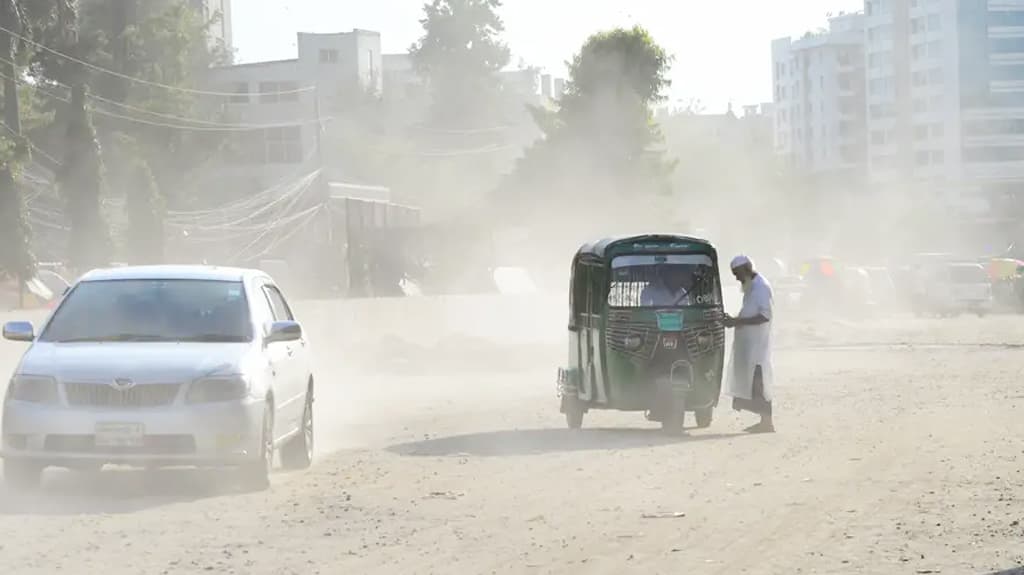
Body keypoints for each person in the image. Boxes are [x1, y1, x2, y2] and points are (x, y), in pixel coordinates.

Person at [724, 255, 775, 433]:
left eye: (737, 274)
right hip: (750, 346)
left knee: (759, 381)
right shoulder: (751, 287)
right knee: (752, 382)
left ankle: (767, 422)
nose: (737, 278)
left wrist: (738, 322)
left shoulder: (761, 287)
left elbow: (764, 315)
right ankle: (764, 421)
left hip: (758, 346)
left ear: (746, 269)